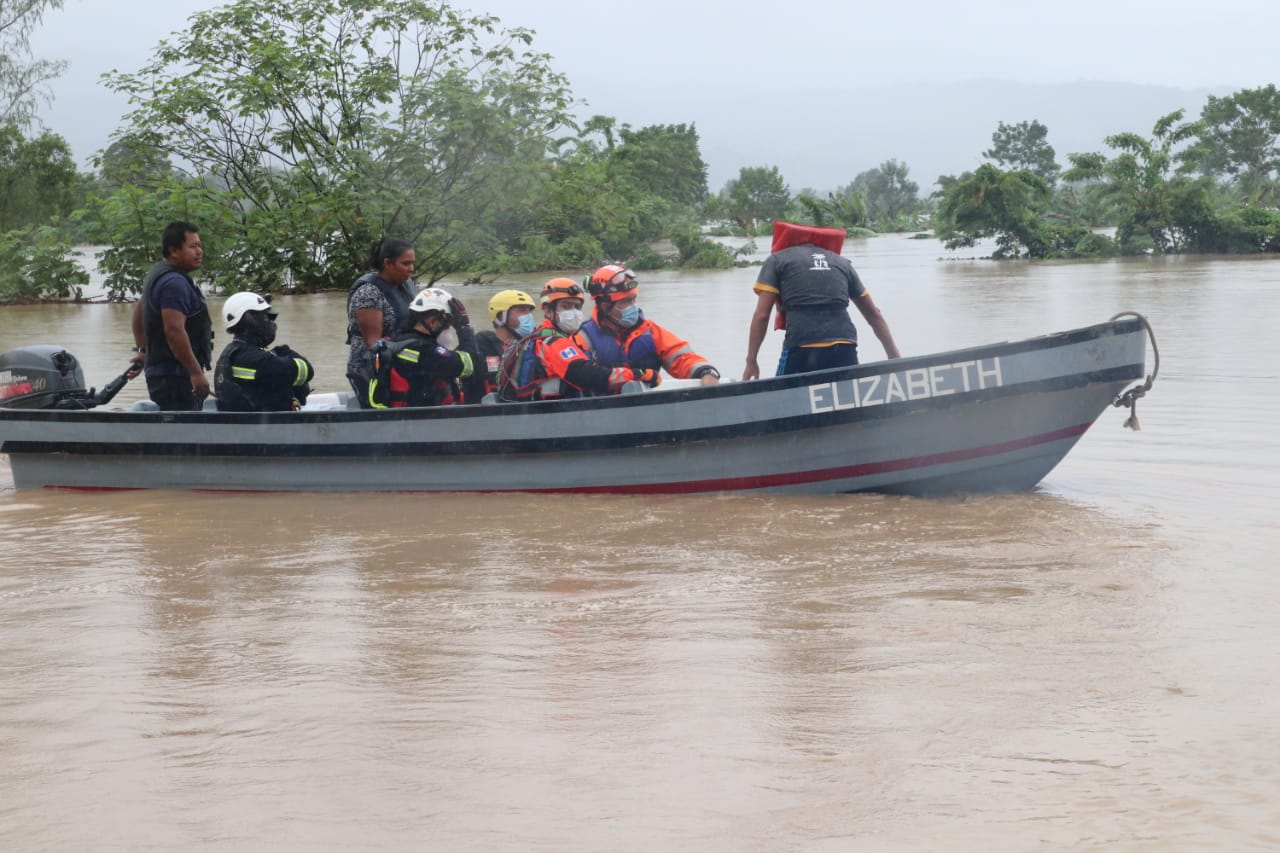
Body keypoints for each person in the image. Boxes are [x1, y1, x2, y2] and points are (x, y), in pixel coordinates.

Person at [742, 221, 901, 380]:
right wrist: (895, 359)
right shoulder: (842, 263)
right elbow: (874, 314)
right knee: (846, 397)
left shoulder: (778, 260)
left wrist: (751, 361)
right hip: (844, 346)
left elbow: (762, 315)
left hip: (802, 346)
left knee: (781, 400)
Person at [498, 278, 656, 401]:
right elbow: (584, 373)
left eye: (577, 307)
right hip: (555, 417)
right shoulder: (552, 343)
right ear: (547, 310)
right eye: (566, 306)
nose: (573, 312)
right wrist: (636, 374)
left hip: (542, 413)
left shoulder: (538, 338)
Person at [578, 264, 721, 387]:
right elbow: (583, 376)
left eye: (633, 299)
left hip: (646, 406)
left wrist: (705, 371)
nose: (632, 306)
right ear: (605, 306)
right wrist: (635, 375)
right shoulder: (584, 337)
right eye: (625, 302)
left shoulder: (650, 331)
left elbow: (680, 357)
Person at [129, 221, 213, 411]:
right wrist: (196, 373)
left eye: (199, 245)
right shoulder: (174, 283)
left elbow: (139, 312)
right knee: (184, 433)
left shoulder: (158, 273)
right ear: (174, 250)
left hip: (162, 374)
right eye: (193, 246)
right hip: (175, 377)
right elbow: (174, 331)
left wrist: (143, 351)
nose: (199, 251)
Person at [367, 287, 478, 409]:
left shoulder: (397, 340)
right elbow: (470, 365)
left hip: (404, 418)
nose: (448, 329)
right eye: (448, 325)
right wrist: (464, 327)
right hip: (423, 421)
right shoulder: (426, 352)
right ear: (433, 322)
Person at [346, 238, 418, 406]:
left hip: (404, 363)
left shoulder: (407, 285)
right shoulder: (368, 293)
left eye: (412, 263)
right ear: (388, 263)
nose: (411, 269)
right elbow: (374, 345)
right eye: (406, 263)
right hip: (373, 368)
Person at [213, 292, 314, 412]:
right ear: (249, 318)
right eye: (267, 317)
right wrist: (285, 350)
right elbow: (306, 371)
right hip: (269, 425)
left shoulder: (231, 352)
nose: (272, 323)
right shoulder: (258, 360)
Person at [476, 289, 537, 394]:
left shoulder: (532, 345)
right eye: (522, 310)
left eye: (529, 311)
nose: (528, 316)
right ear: (501, 316)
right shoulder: (480, 344)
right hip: (486, 407)